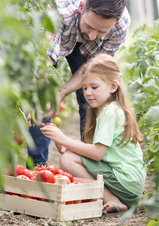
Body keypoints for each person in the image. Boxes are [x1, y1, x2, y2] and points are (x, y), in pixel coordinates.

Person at [27, 0, 131, 167]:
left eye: (101, 31)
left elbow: (94, 69)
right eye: (89, 26)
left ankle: (88, 165)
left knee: (93, 98)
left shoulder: (120, 25)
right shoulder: (58, 12)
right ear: (82, 7)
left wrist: (61, 92)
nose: (91, 36)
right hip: (64, 30)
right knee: (42, 99)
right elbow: (44, 62)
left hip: (89, 51)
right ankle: (37, 167)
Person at [41, 53, 146, 213]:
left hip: (125, 183)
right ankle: (112, 197)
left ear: (113, 86)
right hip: (130, 184)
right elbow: (100, 154)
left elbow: (97, 154)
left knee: (67, 160)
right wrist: (68, 145)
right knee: (70, 155)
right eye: (84, 88)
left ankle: (111, 198)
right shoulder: (112, 109)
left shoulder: (109, 113)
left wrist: (64, 139)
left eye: (94, 87)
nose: (88, 93)